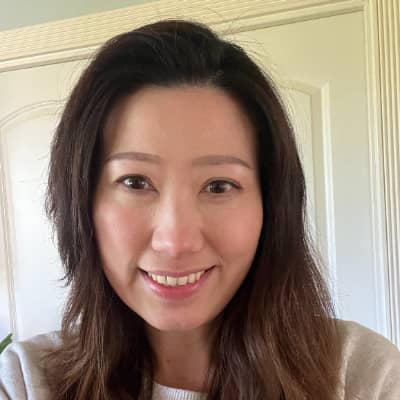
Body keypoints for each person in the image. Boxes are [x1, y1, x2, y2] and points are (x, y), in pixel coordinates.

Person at [0, 19, 399, 400]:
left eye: (219, 186)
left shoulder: (361, 375)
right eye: (135, 182)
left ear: (271, 204)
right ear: (81, 200)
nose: (176, 241)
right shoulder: (25, 381)